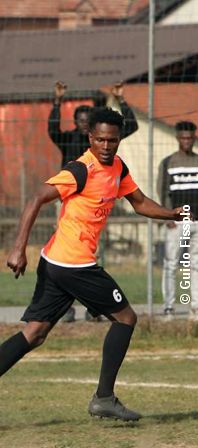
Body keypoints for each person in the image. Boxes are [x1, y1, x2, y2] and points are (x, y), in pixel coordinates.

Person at [0, 108, 187, 429]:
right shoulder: (80, 170)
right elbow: (36, 199)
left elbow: (139, 202)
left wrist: (171, 214)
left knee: (35, 333)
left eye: (113, 140)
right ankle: (104, 398)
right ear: (90, 138)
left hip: (56, 262)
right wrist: (17, 248)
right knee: (125, 318)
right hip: (73, 264)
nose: (107, 146)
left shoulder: (118, 168)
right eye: (101, 140)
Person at [48, 80, 139, 323]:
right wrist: (57, 101)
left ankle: (94, 305)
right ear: (86, 131)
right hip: (71, 201)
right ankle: (64, 306)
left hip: (97, 202)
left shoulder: (107, 145)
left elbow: (130, 126)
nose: (105, 144)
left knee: (91, 255)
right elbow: (52, 130)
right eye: (80, 120)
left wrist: (121, 99)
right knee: (68, 254)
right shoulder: (70, 141)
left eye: (87, 119)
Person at [157, 121, 198, 321]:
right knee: (171, 264)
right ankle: (168, 308)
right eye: (183, 138)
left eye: (189, 138)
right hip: (177, 223)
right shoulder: (168, 163)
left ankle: (195, 307)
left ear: (194, 138)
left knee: (196, 264)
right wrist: (168, 216)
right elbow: (162, 191)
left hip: (196, 222)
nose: (186, 141)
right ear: (177, 138)